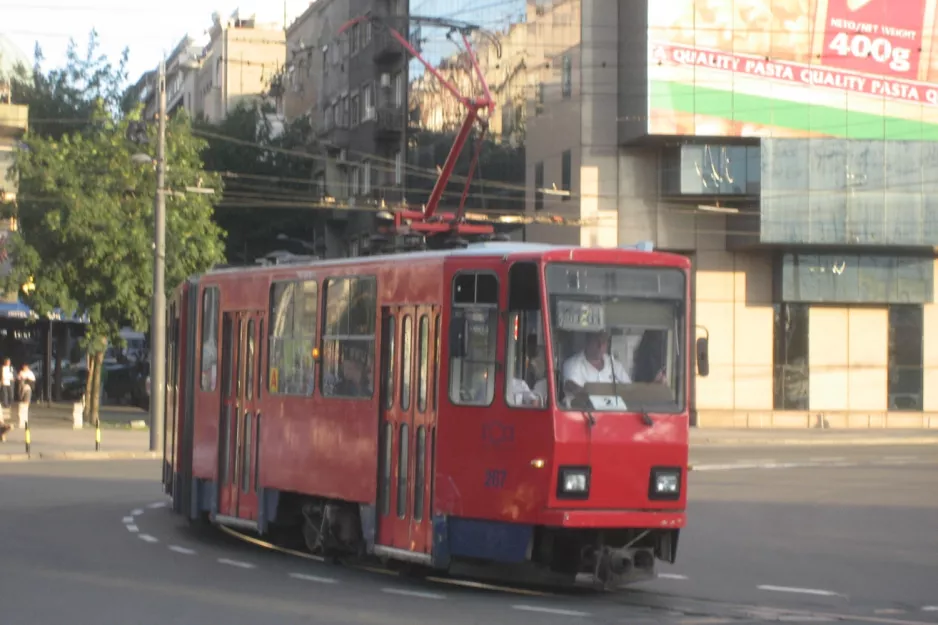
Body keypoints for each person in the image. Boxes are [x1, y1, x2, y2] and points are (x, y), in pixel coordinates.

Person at [561, 330, 630, 399]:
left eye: (603, 342)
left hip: (615, 409)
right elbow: (575, 391)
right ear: (587, 342)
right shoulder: (572, 364)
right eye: (596, 342)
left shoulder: (615, 365)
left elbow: (629, 389)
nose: (600, 346)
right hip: (584, 409)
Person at [16, 363, 35, 429]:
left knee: (26, 403)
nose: (24, 368)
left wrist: (27, 379)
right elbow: (18, 379)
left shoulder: (30, 373)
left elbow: (33, 380)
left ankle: (25, 416)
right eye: (23, 367)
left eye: (26, 367)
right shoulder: (21, 372)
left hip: (27, 389)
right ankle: (22, 420)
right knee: (21, 404)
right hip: (22, 389)